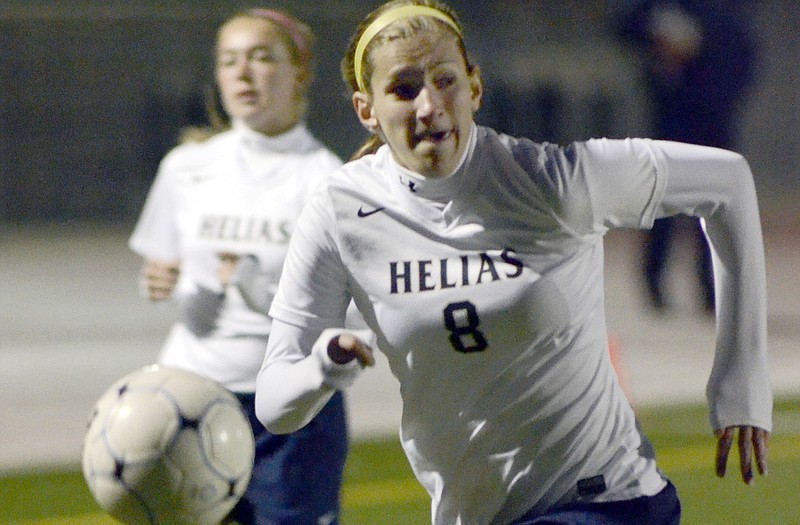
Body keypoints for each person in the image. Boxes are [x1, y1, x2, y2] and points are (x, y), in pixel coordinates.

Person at [255, 1, 772, 523]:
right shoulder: (340, 211)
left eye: (446, 81)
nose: (430, 105)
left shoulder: (552, 181)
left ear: (474, 88)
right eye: (404, 88)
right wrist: (323, 366)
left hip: (606, 502)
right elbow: (275, 406)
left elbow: (727, 183)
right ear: (367, 109)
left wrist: (741, 382)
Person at [129, 9, 348, 525]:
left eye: (261, 57)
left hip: (290, 413)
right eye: (228, 61)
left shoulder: (329, 182)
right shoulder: (186, 168)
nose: (242, 74)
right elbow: (166, 274)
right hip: (188, 404)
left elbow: (346, 321)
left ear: (300, 72)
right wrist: (162, 282)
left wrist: (255, 288)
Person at [615, 0, 758, 312]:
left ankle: (712, 290)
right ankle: (654, 282)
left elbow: (744, 53)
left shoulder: (727, 14)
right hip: (672, 116)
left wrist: (726, 96)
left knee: (714, 208)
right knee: (662, 204)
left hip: (714, 122)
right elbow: (625, 26)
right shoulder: (667, 6)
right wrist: (659, 34)